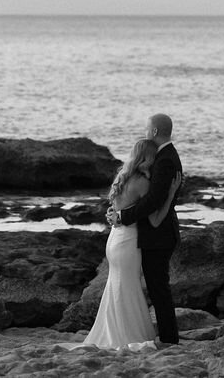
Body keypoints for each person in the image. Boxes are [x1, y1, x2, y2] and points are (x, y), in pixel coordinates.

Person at [81, 139, 163, 350]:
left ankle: (114, 332)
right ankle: (127, 335)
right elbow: (153, 219)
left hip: (115, 238)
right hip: (128, 240)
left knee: (117, 284)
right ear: (148, 158)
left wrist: (115, 216)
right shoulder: (143, 183)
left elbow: (115, 210)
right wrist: (169, 194)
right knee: (128, 286)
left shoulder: (122, 177)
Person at [110, 113, 183, 345]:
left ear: (153, 132)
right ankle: (166, 336)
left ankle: (170, 339)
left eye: (146, 128)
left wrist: (122, 216)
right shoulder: (163, 158)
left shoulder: (165, 160)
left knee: (158, 288)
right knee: (155, 286)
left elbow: (152, 202)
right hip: (150, 232)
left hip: (158, 234)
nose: (144, 131)